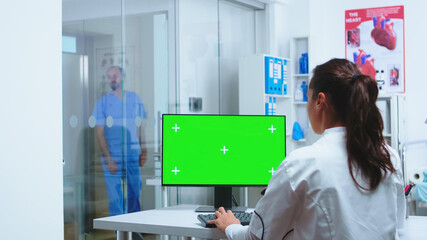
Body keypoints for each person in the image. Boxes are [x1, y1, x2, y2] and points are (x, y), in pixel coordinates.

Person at [209, 58, 405, 239]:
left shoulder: (303, 163)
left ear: (320, 101)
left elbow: (257, 236)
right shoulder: (388, 156)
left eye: (308, 98)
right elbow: (397, 227)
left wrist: (230, 226)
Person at [92, 66, 147, 217]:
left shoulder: (135, 99)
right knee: (115, 198)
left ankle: (134, 231)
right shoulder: (102, 103)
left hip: (132, 154)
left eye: (115, 75)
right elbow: (99, 133)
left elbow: (140, 125)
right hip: (112, 155)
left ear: (123, 76)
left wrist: (144, 149)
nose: (112, 78)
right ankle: (119, 234)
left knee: (134, 193)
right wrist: (108, 158)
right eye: (109, 76)